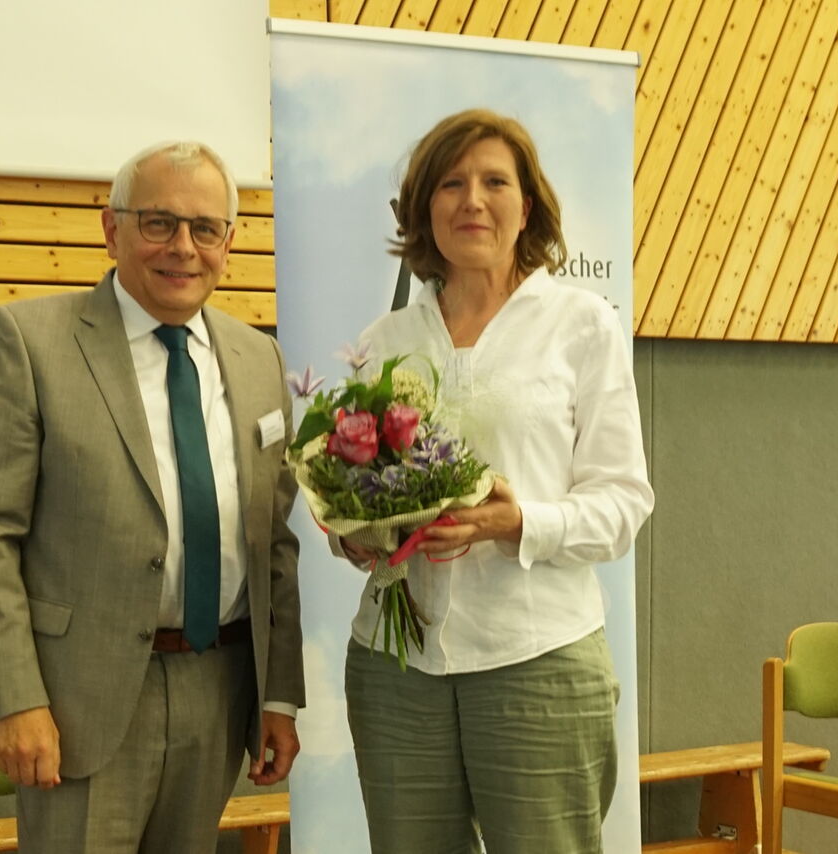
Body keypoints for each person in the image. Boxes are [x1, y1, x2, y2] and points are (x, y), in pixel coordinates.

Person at [0, 141, 304, 854]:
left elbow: (276, 541)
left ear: (229, 244)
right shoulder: (31, 341)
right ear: (111, 229)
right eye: (158, 223)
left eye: (205, 228)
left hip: (220, 686)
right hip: (80, 700)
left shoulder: (258, 359)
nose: (183, 247)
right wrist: (15, 699)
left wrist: (278, 694)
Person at [339, 109, 655, 853]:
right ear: (423, 210)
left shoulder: (582, 325)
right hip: (395, 668)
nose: (471, 200)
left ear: (528, 207)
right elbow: (361, 493)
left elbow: (623, 502)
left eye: (493, 182)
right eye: (450, 183)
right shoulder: (383, 343)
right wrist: (360, 536)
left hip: (537, 661)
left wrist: (518, 522)